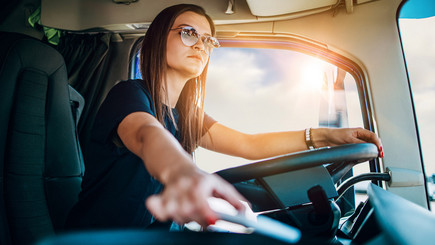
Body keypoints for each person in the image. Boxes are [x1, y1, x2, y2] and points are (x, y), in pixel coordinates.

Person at [65, 4, 383, 230]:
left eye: (208, 39)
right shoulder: (130, 95)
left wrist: (324, 137)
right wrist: (185, 174)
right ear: (158, 39)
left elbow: (250, 144)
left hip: (151, 235)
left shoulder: (187, 116)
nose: (201, 45)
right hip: (101, 236)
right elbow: (149, 136)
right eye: (189, 33)